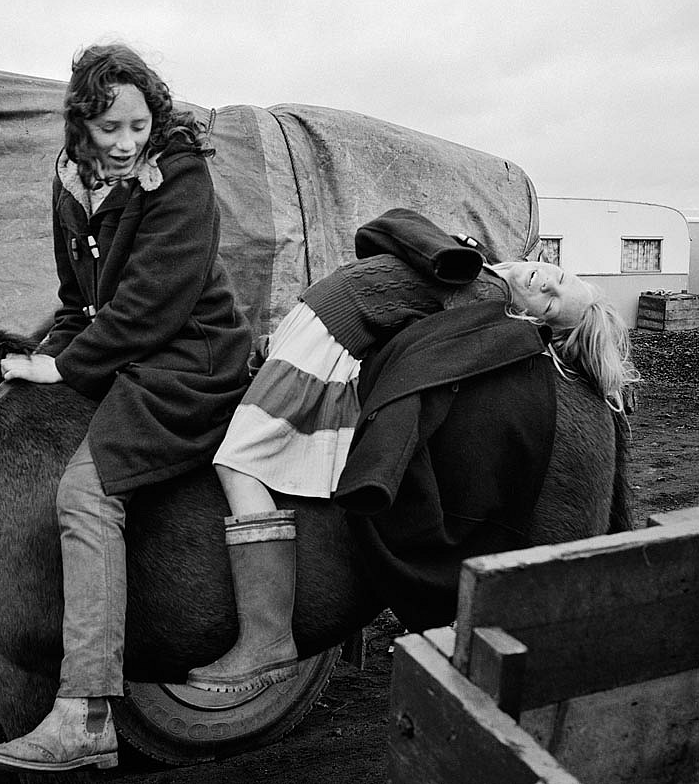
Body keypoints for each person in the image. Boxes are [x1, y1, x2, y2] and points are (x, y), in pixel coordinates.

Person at [186, 207, 639, 693]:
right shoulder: (473, 262)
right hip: (310, 332)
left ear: (530, 321)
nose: (545, 285)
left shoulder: (485, 297)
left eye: (549, 304)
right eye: (559, 279)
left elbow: (427, 350)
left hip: (322, 342)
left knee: (238, 462)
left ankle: (267, 635)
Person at [0, 44, 252, 772]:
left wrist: (65, 367)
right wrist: (31, 361)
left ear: (153, 114)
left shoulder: (182, 176)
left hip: (187, 359)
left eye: (136, 125)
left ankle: (86, 714)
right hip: (123, 350)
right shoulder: (70, 181)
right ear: (80, 128)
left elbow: (151, 306)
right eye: (108, 129)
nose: (126, 143)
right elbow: (82, 301)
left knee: (84, 492)